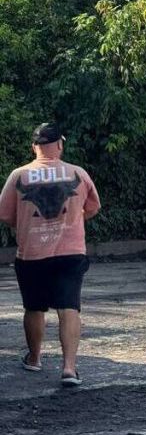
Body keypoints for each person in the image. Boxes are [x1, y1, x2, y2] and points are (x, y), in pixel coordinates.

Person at [0, 123, 101, 387]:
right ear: (59, 145)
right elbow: (93, 207)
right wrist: (72, 218)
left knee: (34, 307)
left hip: (32, 253)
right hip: (70, 252)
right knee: (69, 307)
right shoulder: (77, 173)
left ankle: (34, 358)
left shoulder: (19, 175)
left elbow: (4, 214)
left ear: (34, 147)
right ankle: (69, 368)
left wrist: (27, 223)